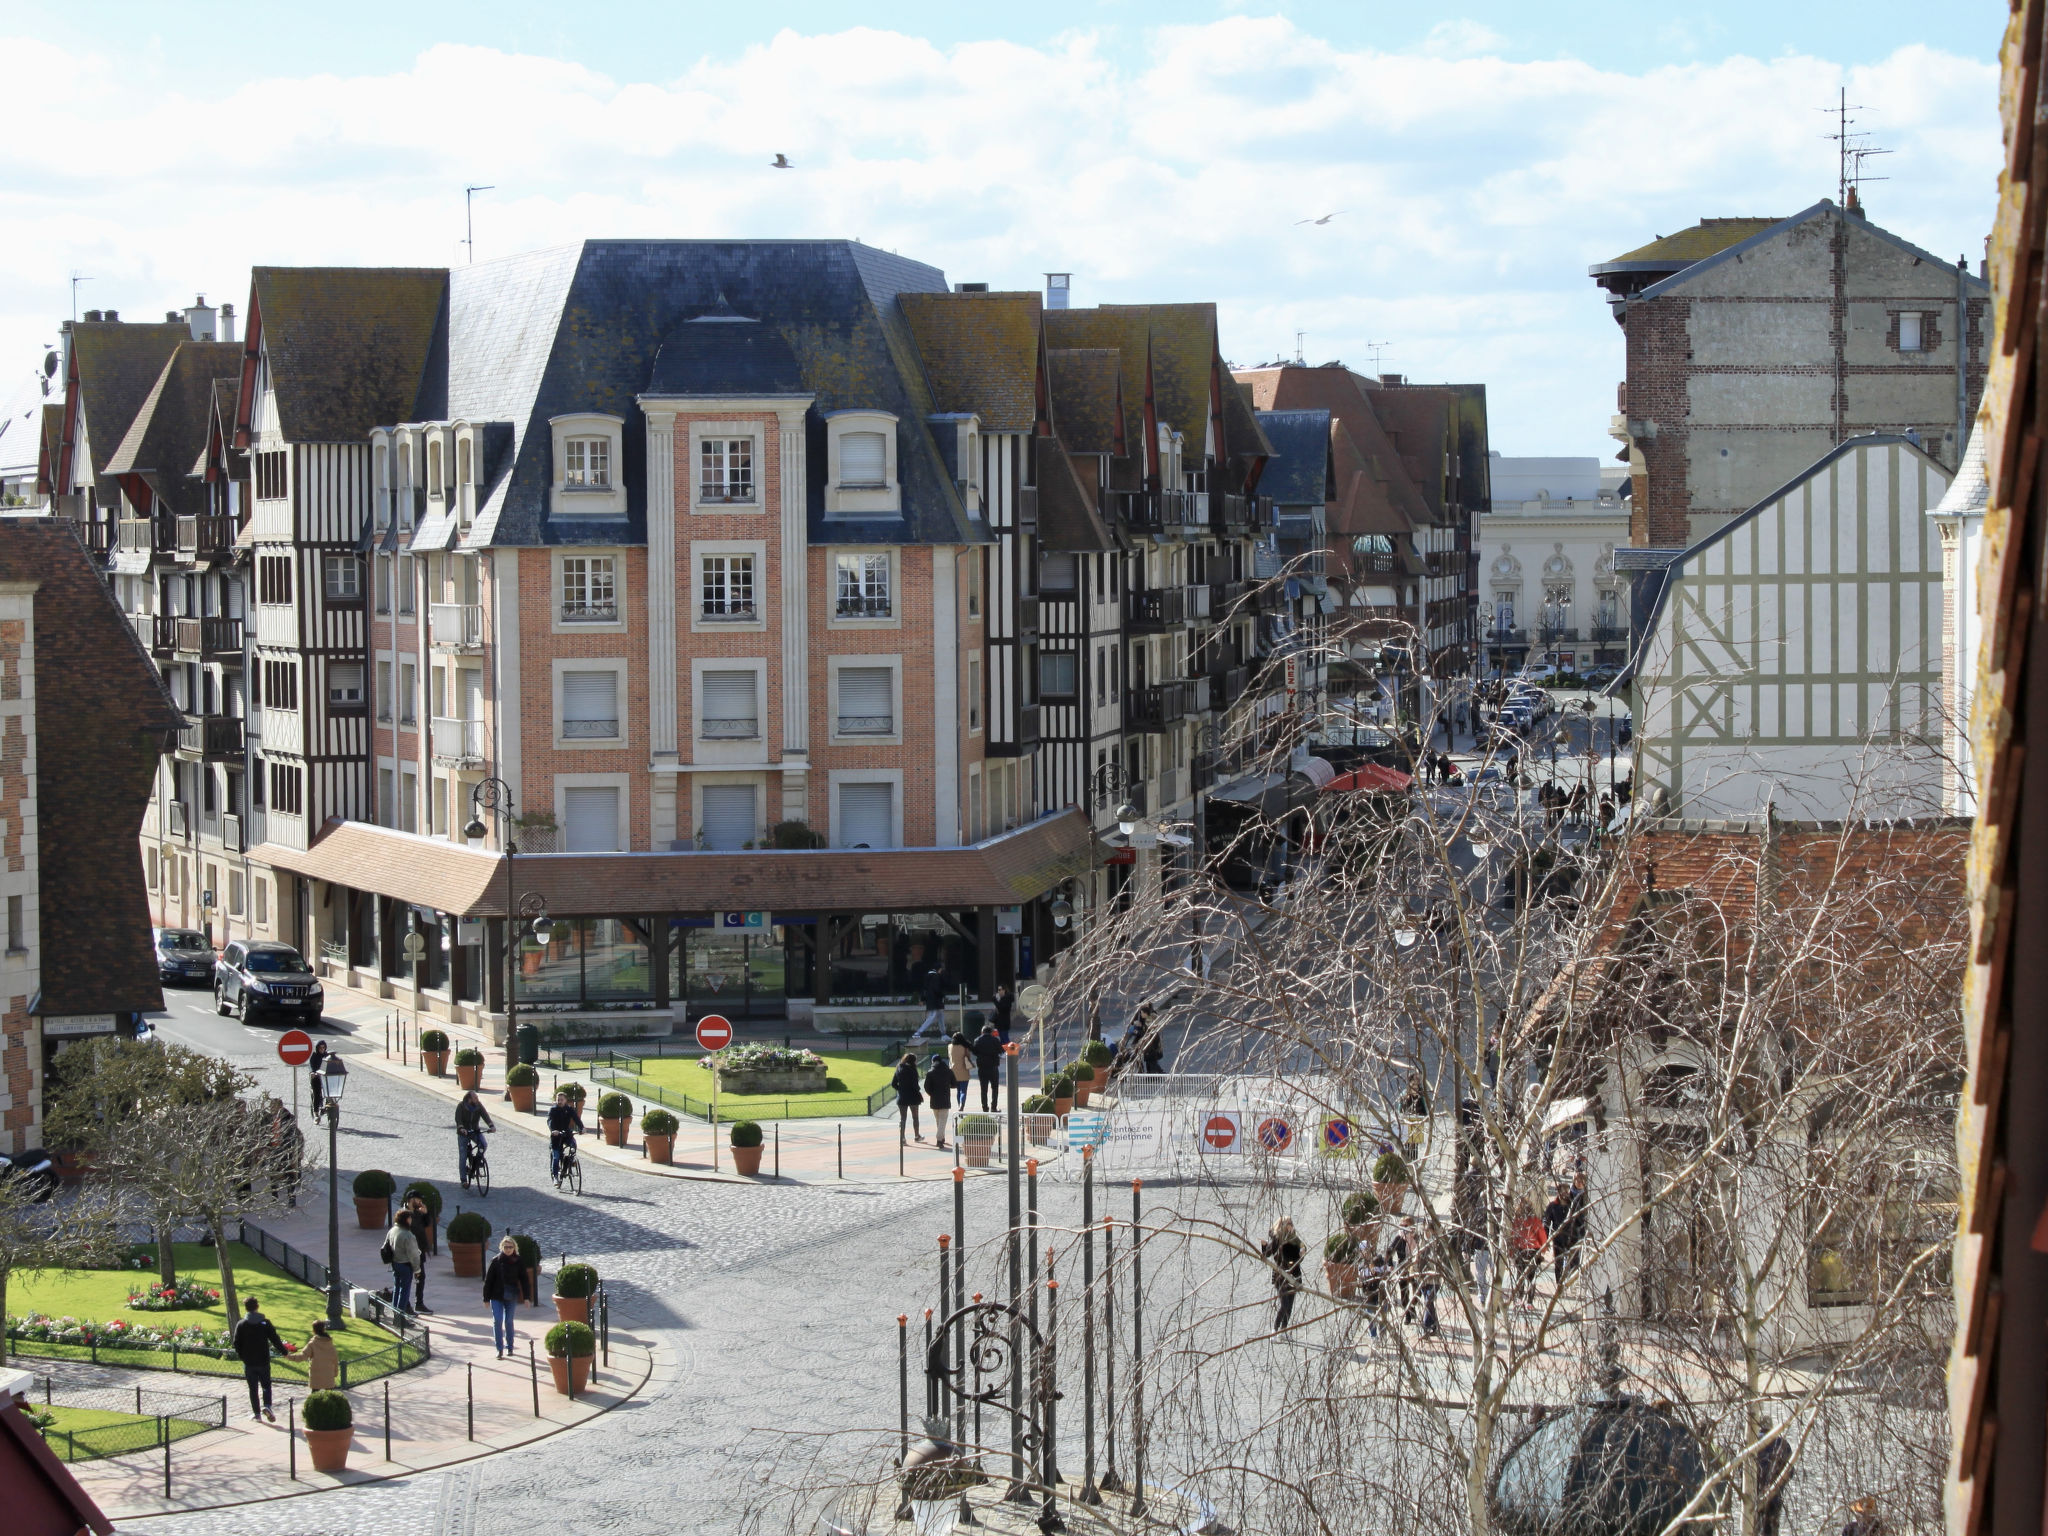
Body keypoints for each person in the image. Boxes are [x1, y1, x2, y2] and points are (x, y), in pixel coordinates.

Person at [232, 1296, 290, 1421]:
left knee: (253, 1388)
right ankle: (267, 1406)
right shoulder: (265, 1323)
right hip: (263, 1360)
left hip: (249, 1362)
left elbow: (236, 1343)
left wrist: (243, 1356)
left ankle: (257, 1413)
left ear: (246, 1308)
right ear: (257, 1307)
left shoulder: (241, 1324)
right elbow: (275, 1339)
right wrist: (285, 1352)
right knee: (266, 1385)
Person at [483, 1235, 535, 1358]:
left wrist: (527, 1297)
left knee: (508, 1321)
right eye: (505, 1247)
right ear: (502, 1247)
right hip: (496, 1296)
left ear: (514, 1248)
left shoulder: (518, 1261)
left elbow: (524, 1280)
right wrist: (485, 1298)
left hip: (511, 1295)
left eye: (510, 1247)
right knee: (498, 1321)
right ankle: (499, 1349)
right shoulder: (496, 1261)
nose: (508, 1249)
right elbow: (488, 1281)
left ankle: (510, 1347)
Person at [1260, 1217, 1305, 1330]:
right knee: (1284, 1304)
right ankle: (1275, 1330)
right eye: (1287, 1224)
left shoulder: (1294, 1239)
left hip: (1294, 1275)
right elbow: (1266, 1254)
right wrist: (1264, 1245)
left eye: (1291, 1223)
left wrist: (1301, 1253)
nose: (1290, 1226)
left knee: (1289, 1306)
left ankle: (1284, 1330)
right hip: (1280, 1276)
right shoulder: (1277, 1240)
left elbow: (1301, 1252)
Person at [1511, 1199, 1547, 1305]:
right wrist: (1543, 1249)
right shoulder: (1535, 1220)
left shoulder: (1516, 1221)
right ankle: (1529, 1301)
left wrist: (1511, 1252)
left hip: (1520, 1250)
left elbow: (1514, 1237)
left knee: (1520, 1274)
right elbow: (1542, 1236)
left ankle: (1519, 1297)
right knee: (1531, 1276)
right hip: (1533, 1250)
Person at [403, 1193, 435, 1313]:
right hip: (408, 1252)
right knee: (407, 1278)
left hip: (419, 1250)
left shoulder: (418, 1212)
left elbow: (426, 1224)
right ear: (412, 1200)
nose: (421, 1202)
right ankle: (406, 1305)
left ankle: (419, 1303)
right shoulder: (404, 1213)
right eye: (419, 1200)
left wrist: (426, 1213)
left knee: (421, 1277)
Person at [386, 1209, 421, 1316]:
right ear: (406, 1219)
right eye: (410, 1218)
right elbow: (413, 1255)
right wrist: (417, 1269)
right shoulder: (408, 1235)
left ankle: (395, 1312)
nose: (411, 1220)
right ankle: (400, 1317)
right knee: (404, 1291)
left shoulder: (392, 1230)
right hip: (405, 1265)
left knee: (397, 1287)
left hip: (395, 1263)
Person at [1756, 1429, 1792, 1536]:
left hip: (1754, 1499)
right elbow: (1790, 1472)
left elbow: (1742, 1472)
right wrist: (1776, 1486)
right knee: (1771, 1531)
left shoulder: (1751, 1443)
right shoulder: (1782, 1444)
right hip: (1774, 1498)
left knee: (1752, 1529)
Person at [456, 1089, 495, 1182]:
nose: (477, 1099)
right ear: (469, 1099)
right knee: (463, 1155)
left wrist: (491, 1126)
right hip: (464, 1133)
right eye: (475, 1097)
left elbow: (485, 1116)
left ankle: (476, 1162)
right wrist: (461, 1128)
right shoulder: (461, 1106)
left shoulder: (478, 1105)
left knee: (483, 1144)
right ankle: (463, 1179)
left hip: (475, 1131)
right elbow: (458, 1119)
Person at [546, 1089, 584, 1180]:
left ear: (565, 1100)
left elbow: (576, 1118)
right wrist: (553, 1130)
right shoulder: (553, 1110)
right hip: (556, 1136)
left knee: (573, 1147)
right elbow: (550, 1121)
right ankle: (555, 1176)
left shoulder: (569, 1109)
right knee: (556, 1157)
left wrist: (582, 1128)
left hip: (566, 1134)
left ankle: (568, 1164)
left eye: (561, 1100)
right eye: (558, 1100)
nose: (560, 1101)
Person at [924, 1051, 957, 1150]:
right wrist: (948, 1086)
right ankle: (939, 1139)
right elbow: (954, 1084)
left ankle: (941, 1138)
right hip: (945, 1099)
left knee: (938, 1120)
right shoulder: (948, 1071)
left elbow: (926, 1087)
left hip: (934, 1099)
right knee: (942, 1121)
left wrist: (931, 1093)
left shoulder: (930, 1072)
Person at [893, 1052, 925, 1144]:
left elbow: (893, 1084)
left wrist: (901, 1089)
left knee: (903, 1118)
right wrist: (918, 1090)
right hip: (913, 1097)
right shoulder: (913, 1070)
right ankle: (917, 1136)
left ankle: (902, 1138)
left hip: (902, 1097)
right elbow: (915, 1085)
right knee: (915, 1117)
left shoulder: (899, 1068)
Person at [912, 966, 949, 1042]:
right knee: (933, 1016)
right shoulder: (937, 977)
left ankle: (944, 1034)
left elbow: (925, 989)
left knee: (940, 1017)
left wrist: (923, 999)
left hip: (931, 1000)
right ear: (939, 969)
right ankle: (918, 1032)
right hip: (936, 1000)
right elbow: (937, 989)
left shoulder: (928, 976)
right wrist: (942, 995)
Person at [973, 1025, 1004, 1112]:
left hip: (982, 1068)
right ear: (991, 1032)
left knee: (983, 1089)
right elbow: (1001, 1051)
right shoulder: (995, 1040)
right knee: (995, 1088)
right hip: (993, 1067)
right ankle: (993, 1107)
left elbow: (975, 1052)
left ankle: (985, 1108)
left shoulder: (977, 1040)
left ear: (982, 1032)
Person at [303, 1319, 339, 1392]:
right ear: (324, 1329)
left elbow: (303, 1356)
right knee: (329, 1397)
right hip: (328, 1375)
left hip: (316, 1376)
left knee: (315, 1396)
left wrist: (288, 1356)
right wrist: (335, 1372)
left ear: (314, 1330)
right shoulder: (329, 1343)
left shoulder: (312, 1344)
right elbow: (335, 1359)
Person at [948, 1033, 973, 1111]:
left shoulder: (949, 1046)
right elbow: (969, 1057)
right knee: (963, 1091)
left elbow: (949, 1057)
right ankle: (962, 1105)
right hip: (964, 1071)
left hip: (954, 1072)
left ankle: (959, 1106)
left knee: (958, 1091)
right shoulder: (965, 1047)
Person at [307, 1041, 329, 1117]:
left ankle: (329, 1107)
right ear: (317, 1048)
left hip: (326, 1078)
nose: (322, 1049)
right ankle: (316, 1113)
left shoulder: (327, 1056)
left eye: (323, 1047)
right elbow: (311, 1066)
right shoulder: (314, 1056)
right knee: (317, 1093)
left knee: (331, 1092)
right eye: (320, 1048)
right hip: (316, 1078)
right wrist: (313, 1073)